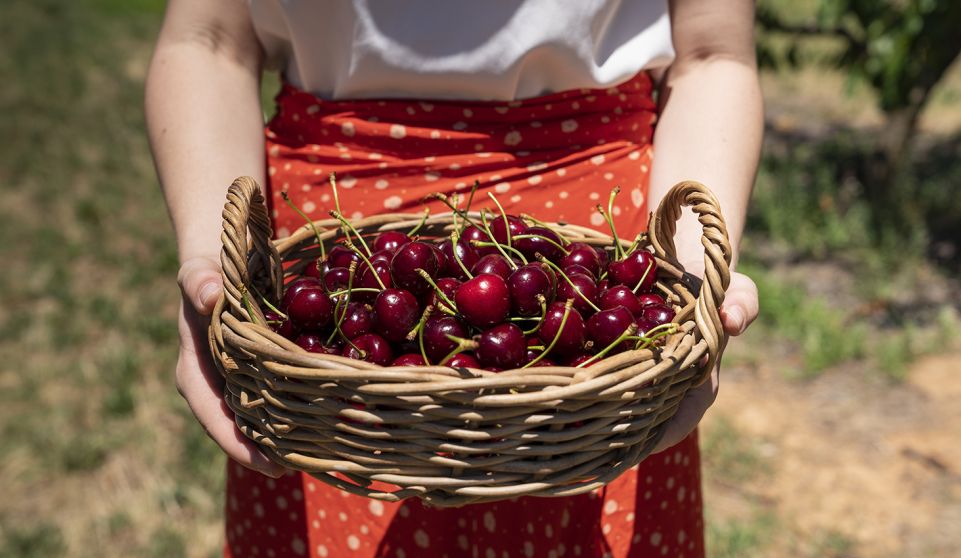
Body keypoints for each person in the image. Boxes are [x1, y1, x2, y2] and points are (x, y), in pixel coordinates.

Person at [146, 0, 761, 556]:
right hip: (330, 336)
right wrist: (215, 261)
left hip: (602, 317)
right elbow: (209, 40)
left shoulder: (620, 312)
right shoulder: (316, 335)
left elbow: (711, 54)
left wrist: (687, 278)